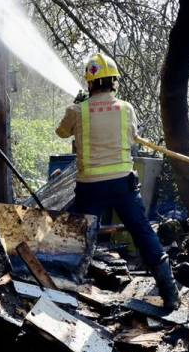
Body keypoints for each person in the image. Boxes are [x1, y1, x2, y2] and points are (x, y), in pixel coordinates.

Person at [56, 53, 180, 310]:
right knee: (142, 231)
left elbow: (61, 132)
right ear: (113, 81)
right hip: (123, 184)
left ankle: (68, 295)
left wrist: (77, 106)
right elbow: (133, 137)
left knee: (83, 236)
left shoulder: (77, 111)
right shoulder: (126, 109)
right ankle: (170, 294)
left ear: (90, 82)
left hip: (90, 186)